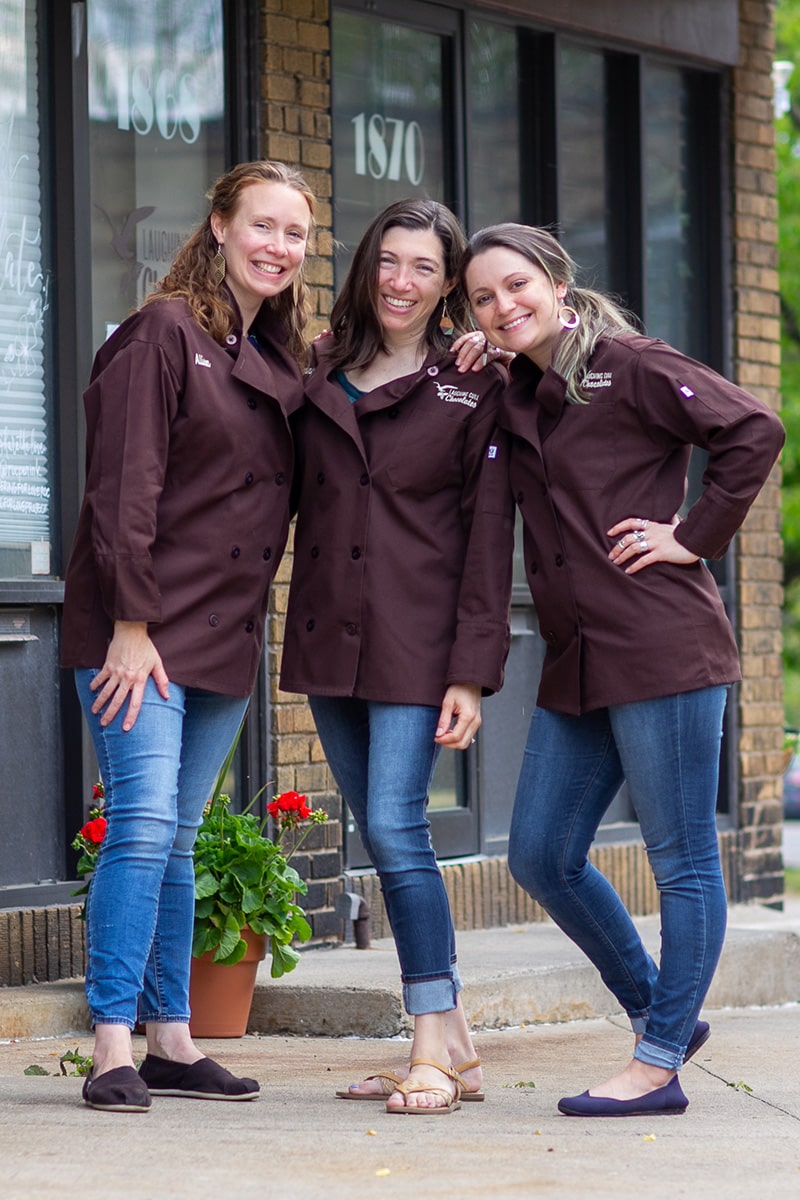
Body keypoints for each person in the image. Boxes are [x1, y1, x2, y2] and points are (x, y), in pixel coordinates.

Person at [460, 223, 785, 1117]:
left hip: (663, 646)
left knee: (680, 860)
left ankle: (659, 1063)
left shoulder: (629, 364)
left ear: (558, 282)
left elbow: (755, 428)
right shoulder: (520, 386)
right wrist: (478, 356)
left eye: (517, 285)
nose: (503, 306)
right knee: (538, 853)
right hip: (581, 658)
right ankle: (660, 1012)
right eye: (483, 297)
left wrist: (692, 537)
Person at [61, 160, 316, 1112]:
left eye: (295, 234)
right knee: (139, 826)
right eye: (262, 225)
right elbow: (123, 486)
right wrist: (130, 624)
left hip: (223, 636)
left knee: (178, 837)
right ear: (218, 226)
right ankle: (112, 1046)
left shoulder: (279, 360)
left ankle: (173, 1037)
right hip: (144, 628)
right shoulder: (162, 332)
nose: (279, 248)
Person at [280, 199, 511, 1114]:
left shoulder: (472, 385)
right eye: (389, 260)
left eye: (424, 267)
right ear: (367, 263)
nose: (402, 281)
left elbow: (490, 538)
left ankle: (426, 1042)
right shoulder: (320, 368)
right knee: (380, 831)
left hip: (420, 646)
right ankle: (453, 1044)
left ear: (449, 283)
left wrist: (471, 671)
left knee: (396, 829)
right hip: (329, 637)